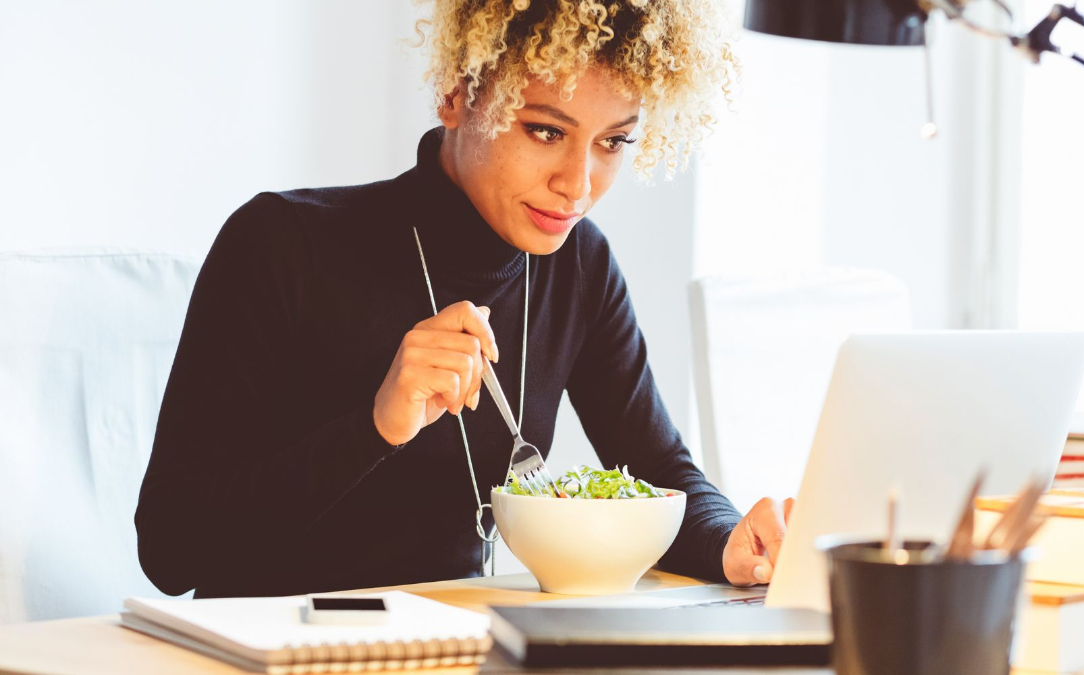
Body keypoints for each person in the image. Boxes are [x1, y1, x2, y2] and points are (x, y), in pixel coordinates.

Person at [135, 0, 793, 599]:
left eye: (614, 141)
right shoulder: (280, 244)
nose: (578, 184)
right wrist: (375, 428)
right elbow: (171, 547)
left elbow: (658, 466)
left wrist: (732, 541)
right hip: (271, 653)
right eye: (545, 130)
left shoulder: (579, 267)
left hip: (454, 649)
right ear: (458, 92)